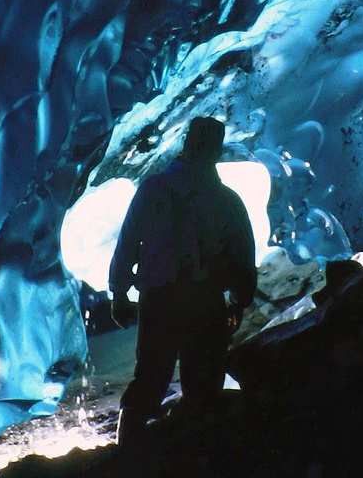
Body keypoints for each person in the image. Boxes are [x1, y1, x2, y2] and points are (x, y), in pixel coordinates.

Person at [108, 116, 257, 446]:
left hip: (158, 296)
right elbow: (242, 256)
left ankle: (127, 454)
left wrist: (119, 292)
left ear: (188, 143)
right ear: (216, 151)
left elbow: (129, 241)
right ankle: (195, 455)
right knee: (203, 385)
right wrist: (239, 300)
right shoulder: (227, 201)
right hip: (205, 300)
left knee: (149, 377)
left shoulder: (154, 189)